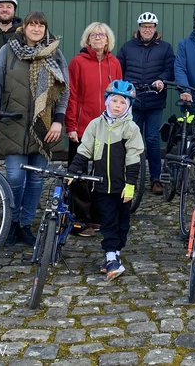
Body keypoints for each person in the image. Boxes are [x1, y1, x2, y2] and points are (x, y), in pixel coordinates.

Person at [0, 11, 69, 245]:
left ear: (45, 29)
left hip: (44, 126)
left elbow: (64, 89)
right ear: (23, 28)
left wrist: (58, 120)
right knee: (14, 177)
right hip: (13, 122)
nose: (36, 29)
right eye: (32, 25)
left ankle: (25, 225)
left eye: (41, 26)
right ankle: (10, 224)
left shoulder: (54, 53)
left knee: (35, 181)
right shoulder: (9, 50)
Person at [68, 80, 144, 281]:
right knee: (108, 221)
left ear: (128, 106)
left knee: (122, 222)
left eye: (122, 103)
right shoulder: (95, 125)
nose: (117, 106)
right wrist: (73, 170)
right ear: (107, 102)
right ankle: (111, 256)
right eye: (114, 101)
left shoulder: (131, 128)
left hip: (122, 186)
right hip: (102, 185)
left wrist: (130, 185)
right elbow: (84, 151)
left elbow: (133, 159)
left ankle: (115, 254)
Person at [66, 22, 121, 235]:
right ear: (87, 40)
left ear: (108, 40)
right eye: (93, 35)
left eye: (102, 35)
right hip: (81, 126)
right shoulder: (77, 62)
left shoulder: (114, 63)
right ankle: (80, 218)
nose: (98, 38)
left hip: (107, 128)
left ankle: (98, 217)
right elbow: (72, 95)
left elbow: (119, 98)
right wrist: (70, 125)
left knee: (103, 173)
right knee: (78, 174)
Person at [117, 11, 175, 196]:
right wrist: (126, 88)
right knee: (129, 140)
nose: (147, 30)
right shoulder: (127, 47)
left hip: (154, 100)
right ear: (139, 28)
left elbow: (169, 69)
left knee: (151, 139)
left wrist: (161, 79)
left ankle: (155, 178)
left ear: (155, 29)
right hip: (133, 101)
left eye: (150, 27)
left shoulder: (165, 48)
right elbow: (120, 69)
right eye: (144, 26)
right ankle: (127, 178)